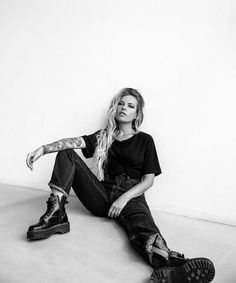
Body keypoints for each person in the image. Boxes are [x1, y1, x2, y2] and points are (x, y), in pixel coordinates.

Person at [26, 88, 215, 283]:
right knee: (66, 153)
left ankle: (170, 267)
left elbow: (148, 180)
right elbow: (73, 141)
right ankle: (57, 214)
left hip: (131, 195)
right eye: (121, 104)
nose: (124, 108)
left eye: (130, 105)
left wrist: (123, 199)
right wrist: (43, 149)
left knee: (143, 228)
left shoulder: (145, 140)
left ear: (137, 114)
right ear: (115, 108)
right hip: (102, 195)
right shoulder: (104, 136)